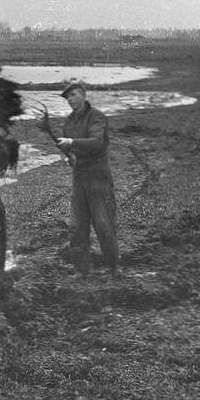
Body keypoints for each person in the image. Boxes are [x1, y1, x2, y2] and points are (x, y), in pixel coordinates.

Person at [56, 82, 121, 279]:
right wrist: (67, 155)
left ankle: (114, 267)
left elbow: (98, 142)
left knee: (103, 224)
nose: (70, 100)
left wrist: (72, 143)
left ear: (83, 95)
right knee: (76, 227)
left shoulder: (96, 117)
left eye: (73, 95)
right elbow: (68, 149)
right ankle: (81, 270)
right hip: (79, 176)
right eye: (67, 97)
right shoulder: (69, 121)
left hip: (98, 175)